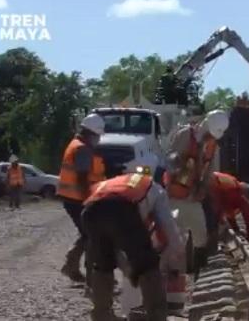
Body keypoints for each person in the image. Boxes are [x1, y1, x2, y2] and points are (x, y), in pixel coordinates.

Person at [82, 172, 184, 321]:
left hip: (89, 212)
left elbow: (120, 246)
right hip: (119, 208)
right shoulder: (157, 191)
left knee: (103, 264)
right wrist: (176, 254)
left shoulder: (118, 183)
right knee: (148, 264)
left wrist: (131, 270)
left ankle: (101, 314)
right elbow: (167, 224)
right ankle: (157, 316)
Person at [163, 109, 229, 276]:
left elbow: (210, 173)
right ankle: (171, 274)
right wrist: (180, 163)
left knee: (201, 235)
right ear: (205, 125)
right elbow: (169, 159)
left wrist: (203, 188)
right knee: (174, 238)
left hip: (194, 198)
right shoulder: (186, 135)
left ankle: (198, 274)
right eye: (209, 133)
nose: (210, 137)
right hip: (175, 196)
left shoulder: (213, 147)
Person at [57, 113, 106, 283]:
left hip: (73, 198)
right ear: (91, 133)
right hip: (77, 198)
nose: (99, 138)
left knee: (87, 233)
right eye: (98, 135)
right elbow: (82, 177)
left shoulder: (77, 144)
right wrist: (89, 200)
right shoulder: (82, 149)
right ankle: (92, 275)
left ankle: (71, 266)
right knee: (91, 234)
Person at [203, 172, 249, 252]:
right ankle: (209, 251)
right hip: (211, 190)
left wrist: (236, 229)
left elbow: (229, 215)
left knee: (212, 221)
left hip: (204, 185)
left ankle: (205, 248)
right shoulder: (239, 193)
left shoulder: (231, 187)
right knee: (213, 224)